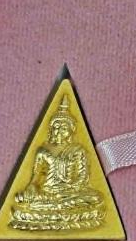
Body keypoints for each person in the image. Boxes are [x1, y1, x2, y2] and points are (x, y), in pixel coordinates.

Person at [10, 95, 105, 231]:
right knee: (22, 198)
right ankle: (56, 213)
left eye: (64, 127)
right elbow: (36, 176)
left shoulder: (78, 150)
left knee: (95, 198)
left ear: (71, 131)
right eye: (56, 126)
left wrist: (68, 190)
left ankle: (46, 215)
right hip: (47, 192)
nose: (60, 130)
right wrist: (31, 187)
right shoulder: (42, 150)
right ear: (51, 129)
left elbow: (82, 178)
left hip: (70, 193)